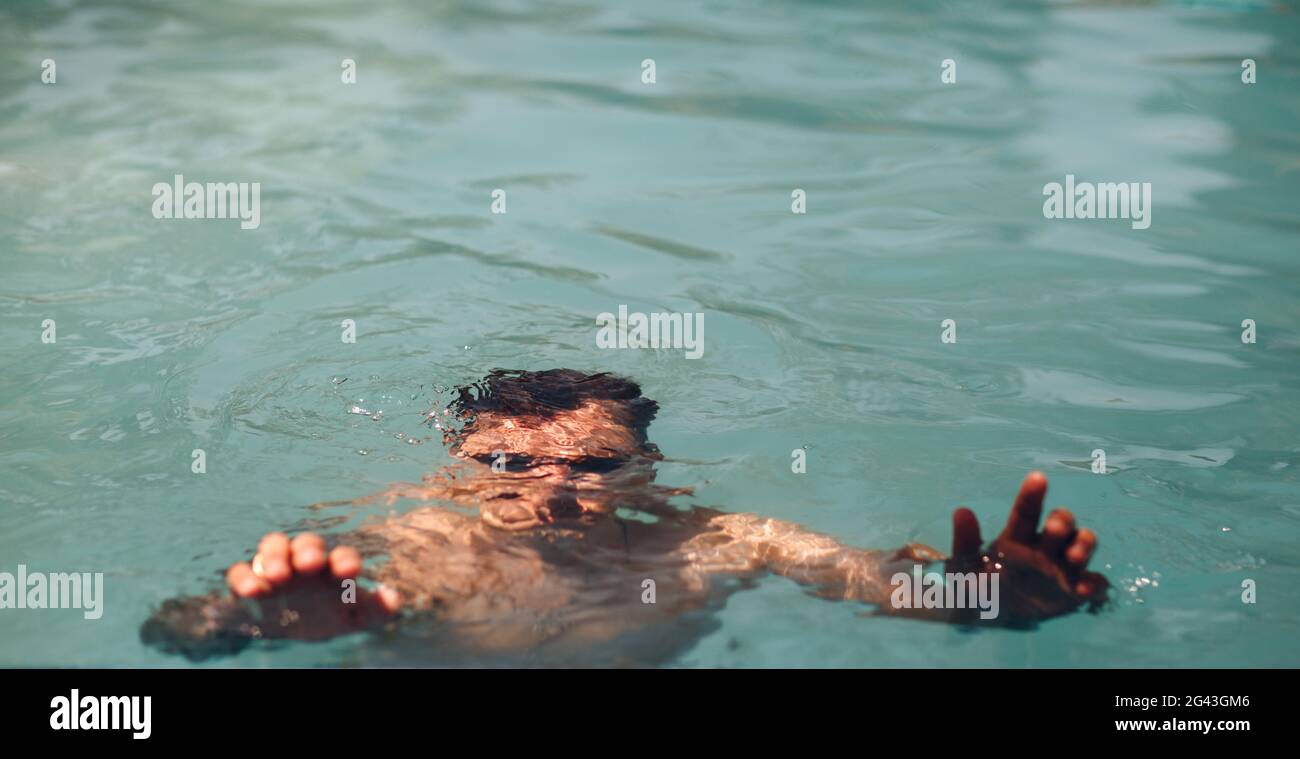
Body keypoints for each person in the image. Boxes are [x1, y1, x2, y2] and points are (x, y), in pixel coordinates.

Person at [142, 369, 1107, 664]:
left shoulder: (726, 541)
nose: (555, 489)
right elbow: (172, 628)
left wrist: (983, 603)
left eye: (597, 464)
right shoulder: (409, 538)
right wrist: (258, 623)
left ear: (652, 473)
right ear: (450, 473)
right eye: (508, 463)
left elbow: (871, 581)